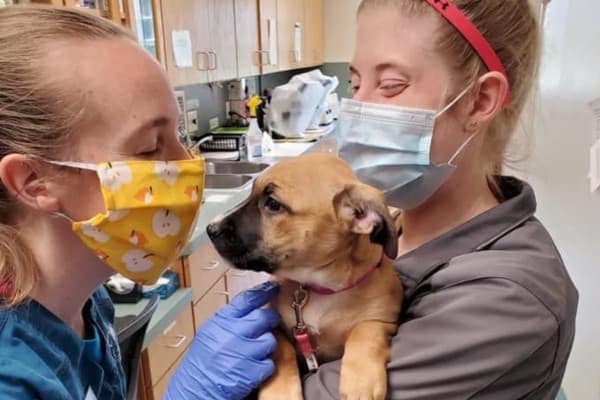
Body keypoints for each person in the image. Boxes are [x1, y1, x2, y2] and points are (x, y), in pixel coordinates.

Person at [0, 6, 278, 400]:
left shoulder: (85, 300)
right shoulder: (10, 378)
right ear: (33, 182)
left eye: (178, 134)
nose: (187, 166)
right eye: (150, 148)